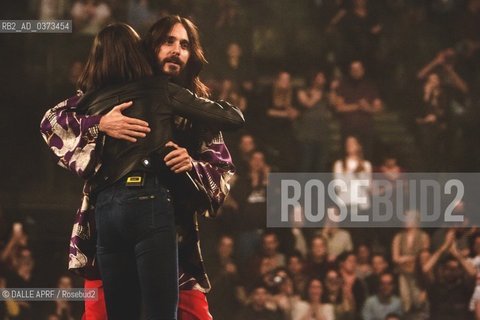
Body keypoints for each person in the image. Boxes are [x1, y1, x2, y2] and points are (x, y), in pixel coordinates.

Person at [40, 17, 244, 320]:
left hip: (173, 237)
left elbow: (223, 169)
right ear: (149, 48)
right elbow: (52, 122)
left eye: (185, 45)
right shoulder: (113, 93)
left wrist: (193, 165)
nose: (176, 50)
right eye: (168, 42)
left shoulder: (197, 109)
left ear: (192, 55)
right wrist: (100, 124)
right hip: (110, 225)